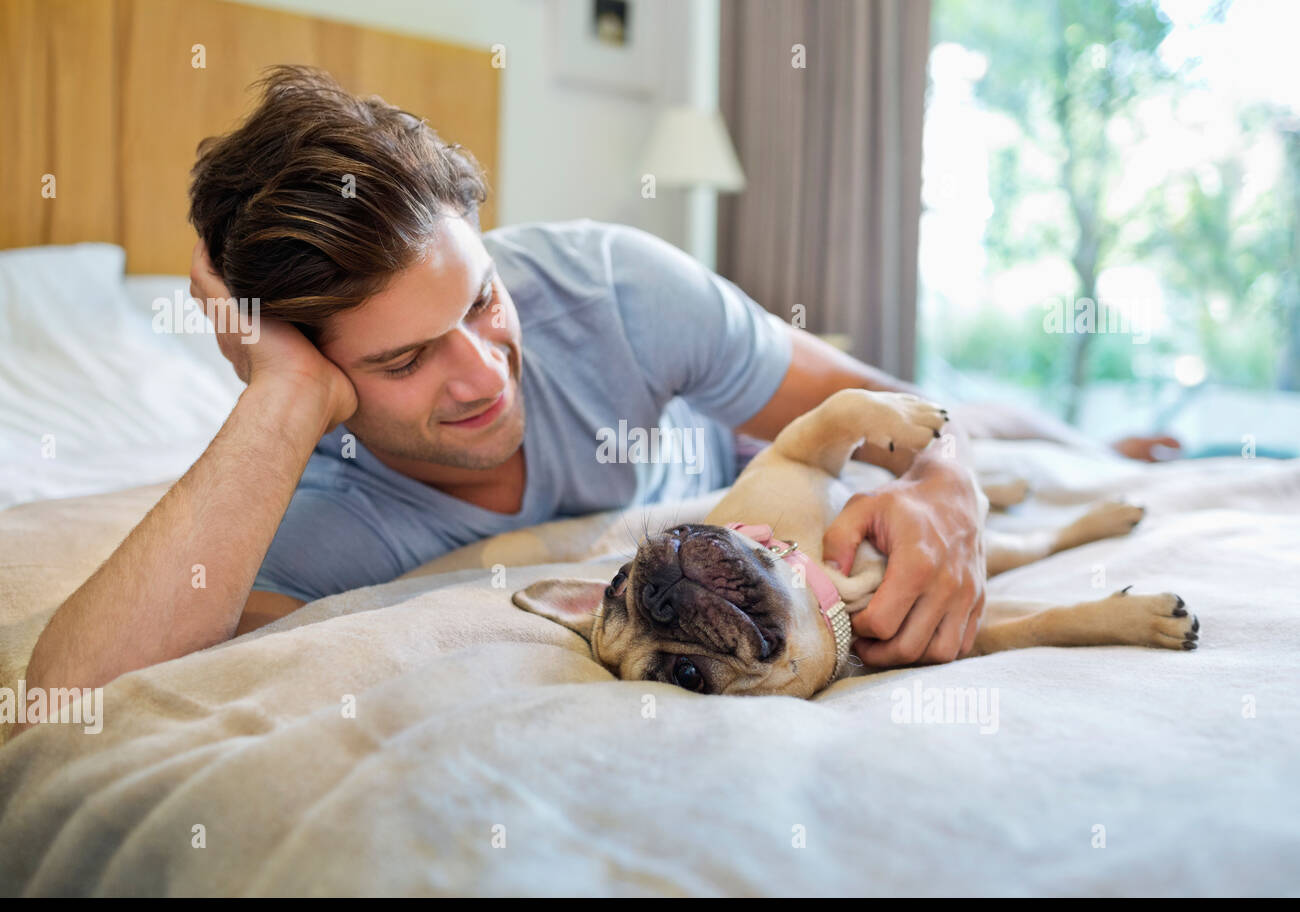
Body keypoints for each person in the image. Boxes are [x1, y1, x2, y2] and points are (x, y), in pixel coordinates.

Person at [28, 64, 1057, 706]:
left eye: (479, 301)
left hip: (762, 473)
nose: (484, 374)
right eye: (400, 358)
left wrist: (949, 486)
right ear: (308, 364)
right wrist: (279, 399)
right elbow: (67, 702)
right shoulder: (315, 508)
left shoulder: (609, 285)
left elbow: (903, 412)